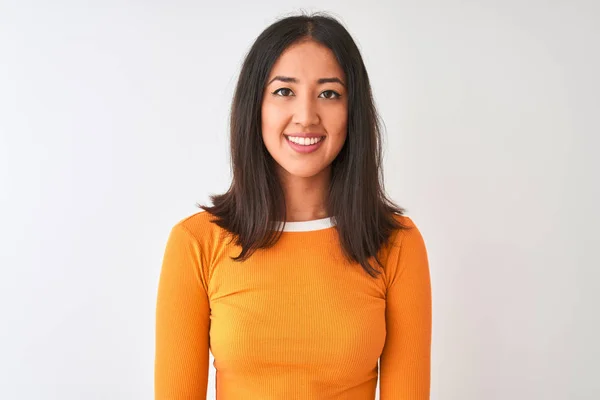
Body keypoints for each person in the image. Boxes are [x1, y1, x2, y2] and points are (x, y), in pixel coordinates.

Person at [154, 12, 432, 400]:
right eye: (284, 91)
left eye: (329, 93)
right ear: (256, 106)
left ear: (353, 112)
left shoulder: (396, 243)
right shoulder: (196, 242)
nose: (306, 116)